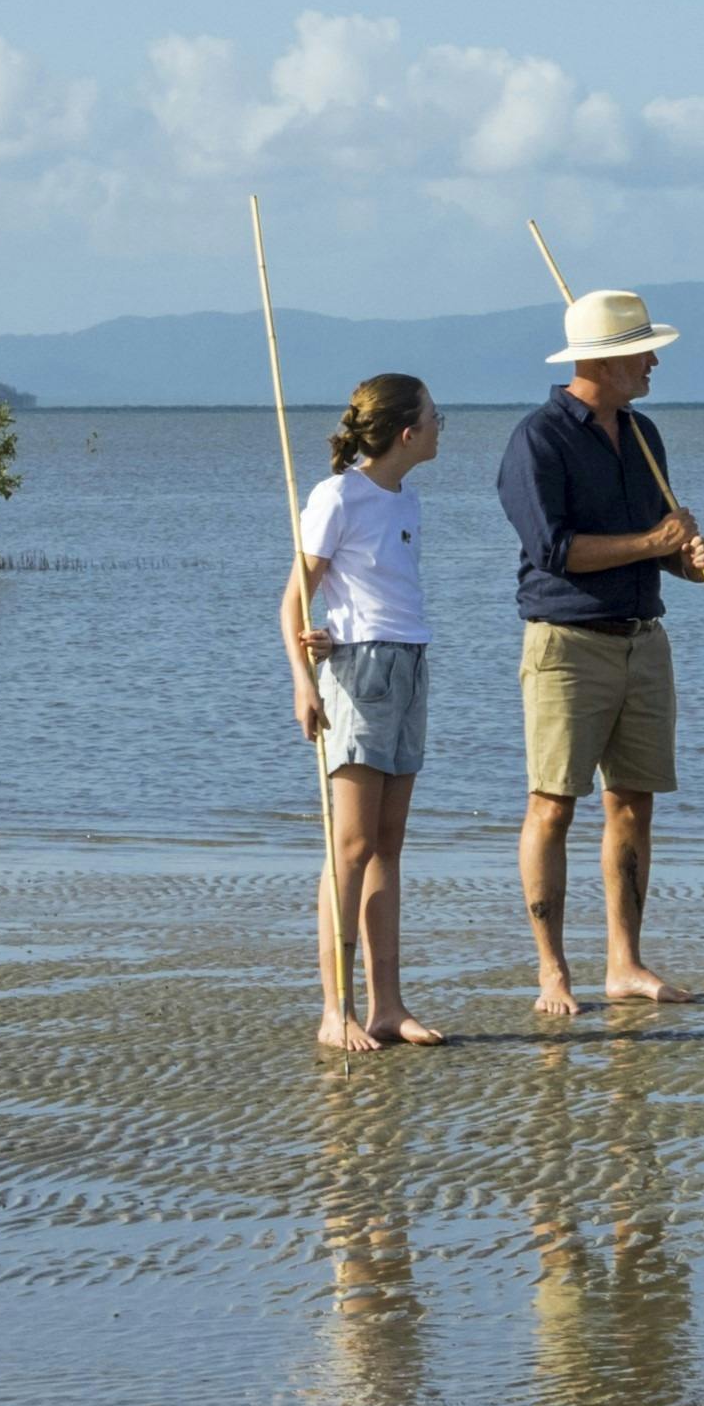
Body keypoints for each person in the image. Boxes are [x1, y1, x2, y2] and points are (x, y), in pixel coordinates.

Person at [504, 289, 704, 1016]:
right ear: (604, 360)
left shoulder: (643, 434)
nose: (655, 362)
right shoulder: (538, 438)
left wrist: (685, 559)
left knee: (633, 803)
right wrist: (652, 543)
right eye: (643, 351)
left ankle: (625, 963)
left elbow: (655, 541)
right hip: (567, 645)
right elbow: (554, 550)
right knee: (553, 805)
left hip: (643, 637)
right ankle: (552, 972)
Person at [282, 373, 451, 1053]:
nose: (444, 427)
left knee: (388, 846)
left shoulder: (406, 498)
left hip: (410, 663)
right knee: (349, 847)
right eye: (436, 417)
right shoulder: (337, 495)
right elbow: (295, 602)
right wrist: (304, 678)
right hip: (361, 674)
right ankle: (335, 1010)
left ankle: (388, 1006)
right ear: (407, 433)